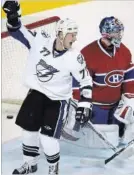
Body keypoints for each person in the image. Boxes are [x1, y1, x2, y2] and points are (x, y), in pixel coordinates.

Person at [3, 1, 93, 175]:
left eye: (75, 35)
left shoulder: (75, 58)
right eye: (71, 35)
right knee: (28, 131)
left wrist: (85, 104)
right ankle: (30, 164)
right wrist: (13, 18)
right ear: (60, 34)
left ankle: (53, 169)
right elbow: (18, 32)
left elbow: (86, 81)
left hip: (58, 101)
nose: (74, 39)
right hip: (36, 94)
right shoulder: (41, 40)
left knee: (47, 138)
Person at [73, 16, 134, 144]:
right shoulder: (88, 54)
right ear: (106, 33)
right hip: (96, 107)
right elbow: (79, 82)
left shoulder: (124, 51)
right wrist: (81, 104)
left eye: (120, 31)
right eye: (116, 32)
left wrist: (130, 98)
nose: (119, 35)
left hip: (116, 106)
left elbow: (129, 76)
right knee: (97, 142)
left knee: (118, 137)